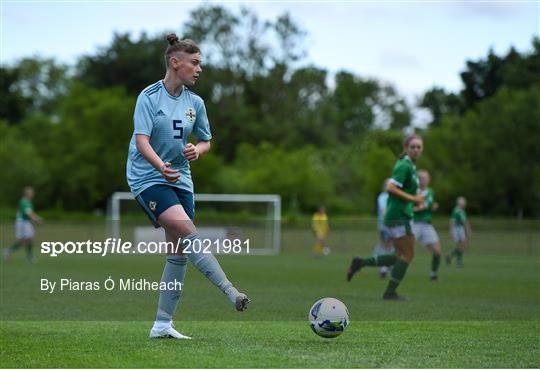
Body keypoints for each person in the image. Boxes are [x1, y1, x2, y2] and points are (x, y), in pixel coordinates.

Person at [126, 34, 250, 340]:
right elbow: (141, 142)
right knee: (189, 232)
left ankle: (162, 325)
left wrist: (199, 150)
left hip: (181, 179)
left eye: (200, 64)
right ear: (175, 62)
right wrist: (160, 166)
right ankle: (230, 291)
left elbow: (206, 141)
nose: (199, 69)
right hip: (148, 177)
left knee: (178, 253)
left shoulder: (196, 103)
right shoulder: (149, 97)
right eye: (194, 63)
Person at [347, 134, 424, 300]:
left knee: (398, 256)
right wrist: (414, 199)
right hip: (400, 216)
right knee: (408, 255)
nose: (416, 150)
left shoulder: (410, 166)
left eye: (419, 147)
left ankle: (360, 263)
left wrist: (415, 203)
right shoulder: (404, 165)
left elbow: (404, 192)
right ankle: (390, 292)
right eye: (413, 147)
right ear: (406, 148)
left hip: (399, 214)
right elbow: (390, 187)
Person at [412, 169, 442, 281]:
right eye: (421, 178)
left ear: (429, 180)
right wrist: (422, 207)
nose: (423, 180)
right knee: (405, 251)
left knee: (437, 252)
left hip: (426, 225)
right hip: (414, 224)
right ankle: (389, 266)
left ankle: (434, 273)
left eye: (425, 178)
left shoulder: (430, 191)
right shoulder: (413, 191)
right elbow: (417, 207)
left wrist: (428, 206)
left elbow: (427, 205)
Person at [4, 187, 42, 263]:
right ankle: (27, 255)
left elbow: (29, 213)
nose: (33, 194)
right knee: (27, 238)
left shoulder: (27, 202)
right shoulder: (24, 202)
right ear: (27, 194)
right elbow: (28, 213)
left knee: (27, 238)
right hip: (22, 222)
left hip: (25, 222)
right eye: (31, 193)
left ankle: (10, 251)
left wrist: (35, 218)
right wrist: (36, 219)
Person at [372, 179, 395, 279]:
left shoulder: (394, 197)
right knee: (386, 245)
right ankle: (383, 267)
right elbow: (384, 210)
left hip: (393, 225)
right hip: (384, 225)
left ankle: (386, 265)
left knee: (389, 246)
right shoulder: (383, 196)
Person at [446, 196, 471, 267]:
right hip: (456, 229)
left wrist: (468, 229)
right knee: (460, 245)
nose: (464, 204)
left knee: (462, 245)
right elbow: (452, 221)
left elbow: (465, 221)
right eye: (462, 203)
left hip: (461, 228)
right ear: (459, 203)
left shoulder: (462, 211)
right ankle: (458, 261)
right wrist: (451, 230)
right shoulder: (456, 211)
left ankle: (450, 257)